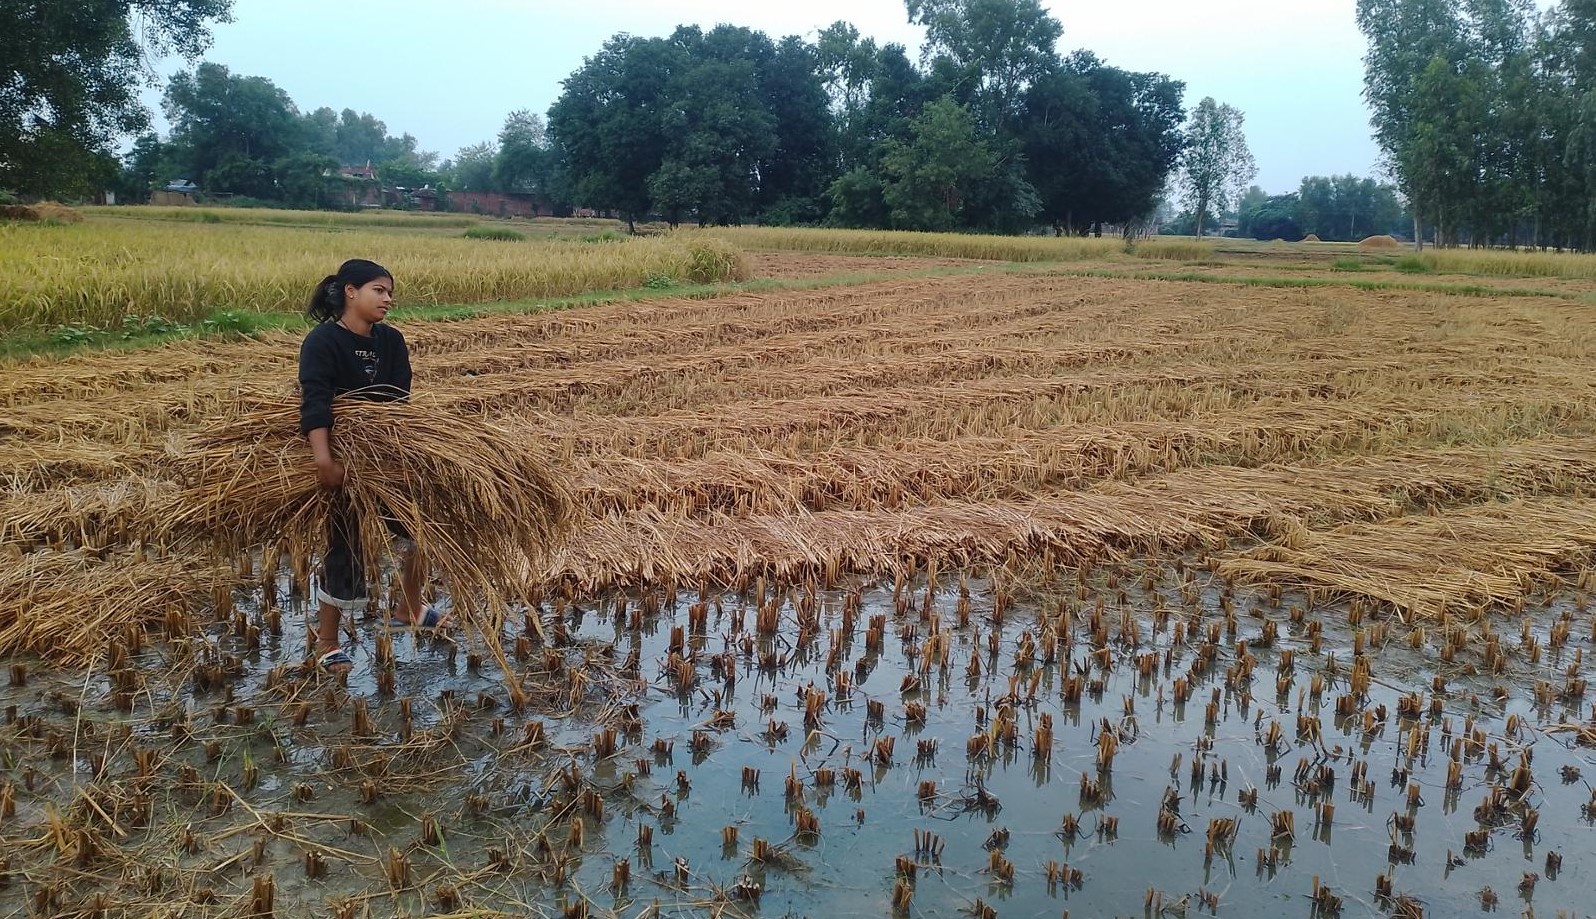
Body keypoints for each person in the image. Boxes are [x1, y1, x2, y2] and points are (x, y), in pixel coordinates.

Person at [299, 258, 451, 674]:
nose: (388, 299)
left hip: (386, 459)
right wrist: (324, 460)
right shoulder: (323, 342)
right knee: (345, 546)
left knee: (423, 528)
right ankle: (327, 642)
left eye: (389, 292)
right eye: (379, 290)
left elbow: (398, 405)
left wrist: (399, 457)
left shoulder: (391, 341)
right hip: (343, 461)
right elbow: (316, 402)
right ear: (351, 291)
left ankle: (409, 606)